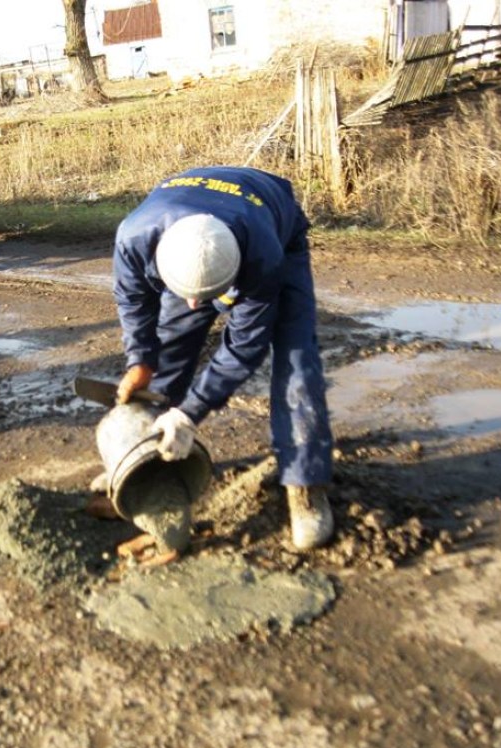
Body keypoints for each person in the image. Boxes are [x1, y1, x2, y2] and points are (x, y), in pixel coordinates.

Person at [111, 166, 334, 551]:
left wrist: (191, 412)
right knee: (171, 340)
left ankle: (305, 484)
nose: (197, 304)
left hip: (273, 222)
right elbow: (133, 301)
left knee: (297, 358)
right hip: (195, 222)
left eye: (210, 294)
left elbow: (245, 346)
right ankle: (148, 456)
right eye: (189, 294)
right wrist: (140, 360)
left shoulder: (264, 257)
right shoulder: (134, 237)